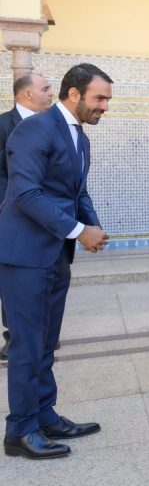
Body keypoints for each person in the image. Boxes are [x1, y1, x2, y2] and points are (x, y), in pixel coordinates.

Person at [0, 63, 111, 460]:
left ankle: (44, 414)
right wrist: (78, 231)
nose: (105, 107)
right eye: (100, 98)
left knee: (46, 342)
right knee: (27, 345)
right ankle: (20, 431)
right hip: (25, 254)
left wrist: (92, 225)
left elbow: (76, 192)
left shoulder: (77, 136)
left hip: (53, 254)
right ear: (74, 94)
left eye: (108, 100)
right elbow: (25, 194)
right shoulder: (34, 129)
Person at [0, 72, 54, 362]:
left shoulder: (50, 126)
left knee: (43, 275)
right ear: (26, 94)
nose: (51, 93)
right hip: (13, 215)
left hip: (46, 217)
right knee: (13, 278)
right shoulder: (3, 125)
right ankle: (14, 336)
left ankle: (43, 333)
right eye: (45, 89)